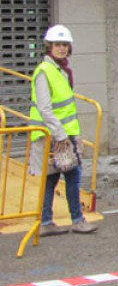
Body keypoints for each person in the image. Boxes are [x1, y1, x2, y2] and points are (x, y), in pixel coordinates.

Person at [29, 25, 99, 236]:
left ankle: (46, 222)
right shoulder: (45, 71)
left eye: (65, 45)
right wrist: (61, 136)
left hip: (59, 133)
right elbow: (45, 108)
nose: (61, 48)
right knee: (72, 175)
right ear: (48, 46)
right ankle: (77, 220)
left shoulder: (59, 70)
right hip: (54, 135)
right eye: (57, 45)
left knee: (52, 178)